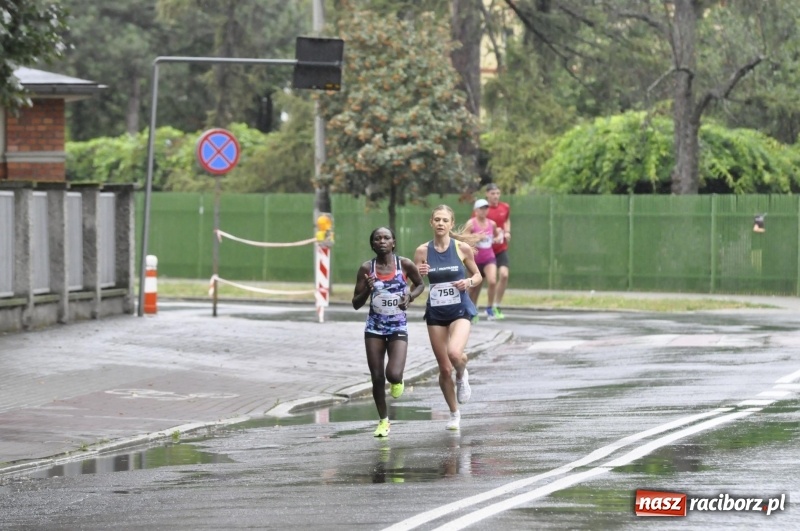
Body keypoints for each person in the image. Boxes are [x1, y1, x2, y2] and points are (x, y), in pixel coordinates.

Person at [414, 205, 483, 431]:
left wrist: (468, 283)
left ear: (451, 224)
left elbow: (478, 275)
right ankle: (454, 413)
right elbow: (415, 282)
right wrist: (419, 274)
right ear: (431, 223)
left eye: (445, 220)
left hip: (460, 308)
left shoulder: (461, 248)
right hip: (436, 311)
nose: (441, 223)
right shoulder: (423, 251)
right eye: (437, 219)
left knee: (454, 353)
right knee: (444, 368)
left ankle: (462, 374)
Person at [353, 227, 425, 438]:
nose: (382, 241)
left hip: (398, 327)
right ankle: (383, 421)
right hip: (374, 328)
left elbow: (420, 285)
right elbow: (356, 304)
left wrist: (410, 297)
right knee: (376, 377)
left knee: (392, 374)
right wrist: (367, 288)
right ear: (373, 244)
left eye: (386, 238)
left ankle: (398, 380)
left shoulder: (404, 264)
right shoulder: (367, 268)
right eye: (378, 238)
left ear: (394, 242)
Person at [464, 198, 502, 322]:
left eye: (486, 208)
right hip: (474, 260)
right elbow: (463, 239)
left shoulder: (492, 223)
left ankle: (490, 308)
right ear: (476, 210)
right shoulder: (471, 223)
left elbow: (497, 236)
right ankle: (471, 309)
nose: (484, 211)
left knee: (492, 281)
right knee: (473, 287)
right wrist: (476, 238)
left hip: (489, 258)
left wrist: (498, 238)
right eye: (481, 208)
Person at [484, 183, 511, 320]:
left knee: (504, 275)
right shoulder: (483, 209)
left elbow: (506, 220)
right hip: (486, 251)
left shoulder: (504, 207)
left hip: (501, 249)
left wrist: (507, 232)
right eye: (493, 193)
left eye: (498, 193)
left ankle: (496, 305)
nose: (495, 196)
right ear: (487, 194)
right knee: (488, 281)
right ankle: (475, 309)